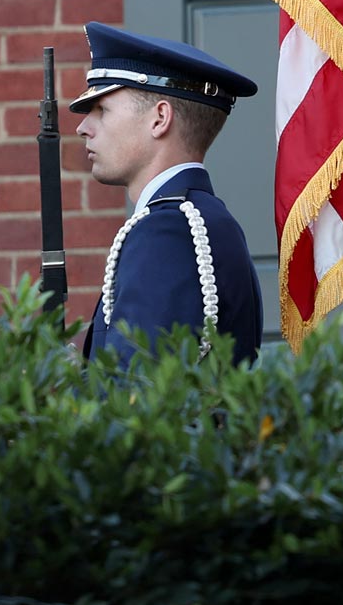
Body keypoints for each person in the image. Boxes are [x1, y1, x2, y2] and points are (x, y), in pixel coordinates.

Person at [71, 21, 263, 368]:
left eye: (102, 109)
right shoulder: (195, 218)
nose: (83, 127)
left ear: (160, 118)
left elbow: (138, 399)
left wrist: (66, 385)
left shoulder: (167, 231)